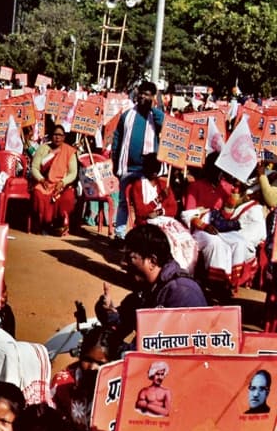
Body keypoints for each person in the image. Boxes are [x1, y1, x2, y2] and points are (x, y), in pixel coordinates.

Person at [97, 224, 207, 352]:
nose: (123, 262)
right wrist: (109, 311)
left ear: (152, 261)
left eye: (130, 257)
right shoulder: (149, 288)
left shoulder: (182, 293)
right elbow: (124, 321)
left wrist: (114, 350)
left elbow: (160, 351)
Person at [111, 81, 165, 238]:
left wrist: (153, 108)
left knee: (145, 203)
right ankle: (119, 234)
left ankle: (142, 236)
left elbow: (165, 125)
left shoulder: (155, 116)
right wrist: (115, 161)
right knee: (123, 202)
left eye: (147, 94)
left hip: (147, 171)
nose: (143, 96)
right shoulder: (127, 115)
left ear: (153, 97)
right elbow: (117, 139)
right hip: (127, 167)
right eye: (141, 93)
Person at [30, 125, 79, 235]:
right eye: (55, 134)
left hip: (61, 185)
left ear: (64, 137)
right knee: (38, 193)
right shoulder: (43, 148)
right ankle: (43, 223)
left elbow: (73, 173)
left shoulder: (69, 151)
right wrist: (41, 179)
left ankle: (59, 224)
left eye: (60, 135)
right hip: (45, 182)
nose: (57, 137)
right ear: (51, 136)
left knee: (68, 197)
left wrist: (63, 182)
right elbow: (34, 168)